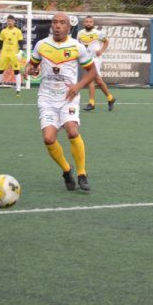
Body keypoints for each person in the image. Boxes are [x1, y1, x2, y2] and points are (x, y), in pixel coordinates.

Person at [25, 12, 98, 191]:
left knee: (72, 131)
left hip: (68, 97)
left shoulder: (76, 47)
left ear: (68, 27)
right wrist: (30, 71)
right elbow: (30, 66)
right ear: (51, 25)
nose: (58, 26)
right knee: (49, 138)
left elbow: (93, 72)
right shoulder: (41, 45)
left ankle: (82, 173)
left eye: (62, 23)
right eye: (55, 22)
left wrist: (78, 86)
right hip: (47, 98)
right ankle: (66, 170)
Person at [77, 16, 116, 111]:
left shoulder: (98, 33)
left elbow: (106, 42)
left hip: (95, 59)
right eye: (87, 22)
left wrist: (101, 50)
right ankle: (110, 98)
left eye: (90, 22)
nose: (88, 23)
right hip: (85, 59)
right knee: (98, 81)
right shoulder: (80, 33)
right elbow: (78, 45)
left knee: (90, 80)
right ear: (84, 23)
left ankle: (91, 103)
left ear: (93, 23)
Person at [0, 15, 24, 96]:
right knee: (0, 71)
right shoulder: (3, 31)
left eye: (11, 21)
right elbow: (0, 43)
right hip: (4, 54)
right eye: (8, 21)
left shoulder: (18, 31)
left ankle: (18, 90)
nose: (10, 22)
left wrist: (21, 51)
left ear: (14, 21)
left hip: (14, 54)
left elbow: (21, 42)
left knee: (16, 71)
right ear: (7, 22)